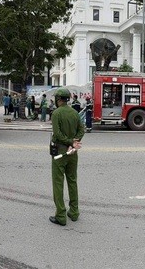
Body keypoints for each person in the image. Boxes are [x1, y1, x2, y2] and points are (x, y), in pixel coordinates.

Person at [49, 88, 85, 226]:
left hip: (60, 153)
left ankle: (61, 215)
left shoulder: (56, 113)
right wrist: (74, 142)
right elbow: (81, 129)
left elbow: (57, 135)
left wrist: (70, 142)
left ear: (59, 99)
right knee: (72, 181)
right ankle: (74, 212)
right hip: (73, 153)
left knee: (58, 183)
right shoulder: (74, 113)